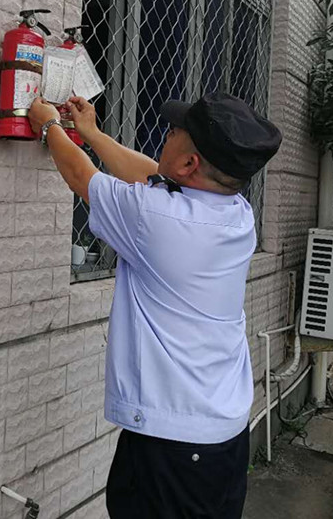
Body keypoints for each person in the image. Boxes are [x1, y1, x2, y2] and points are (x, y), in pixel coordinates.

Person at [28, 92, 282, 519]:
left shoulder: (158, 221)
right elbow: (152, 176)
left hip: (173, 448)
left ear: (189, 164)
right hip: (224, 435)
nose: (167, 135)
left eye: (175, 132)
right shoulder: (236, 213)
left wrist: (49, 124)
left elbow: (79, 175)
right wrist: (92, 133)